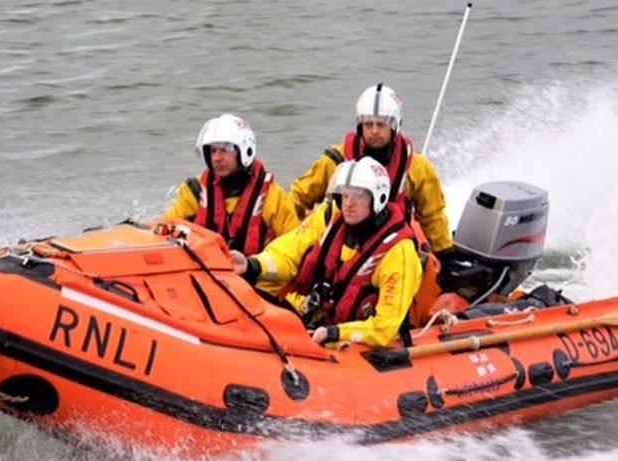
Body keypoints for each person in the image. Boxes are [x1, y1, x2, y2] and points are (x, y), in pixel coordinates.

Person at [231, 157, 422, 348]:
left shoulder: (399, 253)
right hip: (316, 319)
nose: (349, 203)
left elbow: (384, 328)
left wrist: (335, 332)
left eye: (358, 195)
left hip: (354, 341)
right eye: (345, 195)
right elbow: (288, 251)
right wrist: (252, 265)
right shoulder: (330, 216)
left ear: (377, 197)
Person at [287, 84, 464, 289]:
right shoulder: (336, 161)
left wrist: (445, 254)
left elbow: (433, 215)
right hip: (340, 248)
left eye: (381, 125)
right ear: (359, 126)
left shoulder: (417, 168)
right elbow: (298, 197)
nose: (374, 131)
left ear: (395, 126)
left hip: (392, 251)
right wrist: (293, 238)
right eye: (368, 124)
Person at [164, 113, 297, 256]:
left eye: (225, 149)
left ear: (244, 150)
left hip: (251, 274)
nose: (217, 158)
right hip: (203, 271)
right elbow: (165, 231)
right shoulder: (195, 191)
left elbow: (293, 247)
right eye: (213, 150)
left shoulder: (272, 196)